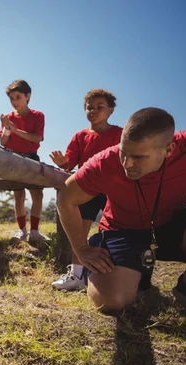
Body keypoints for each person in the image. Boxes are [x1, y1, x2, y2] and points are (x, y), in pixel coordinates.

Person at [57, 107, 186, 313]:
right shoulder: (105, 162)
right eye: (124, 152)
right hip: (121, 232)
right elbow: (66, 198)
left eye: (139, 157)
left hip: (171, 226)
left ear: (168, 150)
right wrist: (81, 249)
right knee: (111, 302)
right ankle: (131, 274)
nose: (126, 163)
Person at [49, 89, 123, 291]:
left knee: (113, 230)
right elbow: (70, 162)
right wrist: (63, 161)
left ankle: (116, 273)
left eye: (100, 107)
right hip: (87, 188)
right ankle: (77, 275)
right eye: (90, 107)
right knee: (79, 230)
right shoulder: (80, 136)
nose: (94, 110)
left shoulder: (120, 134)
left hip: (113, 188)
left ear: (111, 110)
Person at [0, 80, 47, 245]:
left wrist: (15, 130)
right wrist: (6, 128)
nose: (14, 102)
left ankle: (34, 232)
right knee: (18, 195)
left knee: (37, 194)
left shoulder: (38, 116)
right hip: (14, 158)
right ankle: (22, 231)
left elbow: (36, 138)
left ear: (28, 96)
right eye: (11, 98)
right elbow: (3, 142)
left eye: (17, 97)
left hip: (32, 158)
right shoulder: (8, 118)